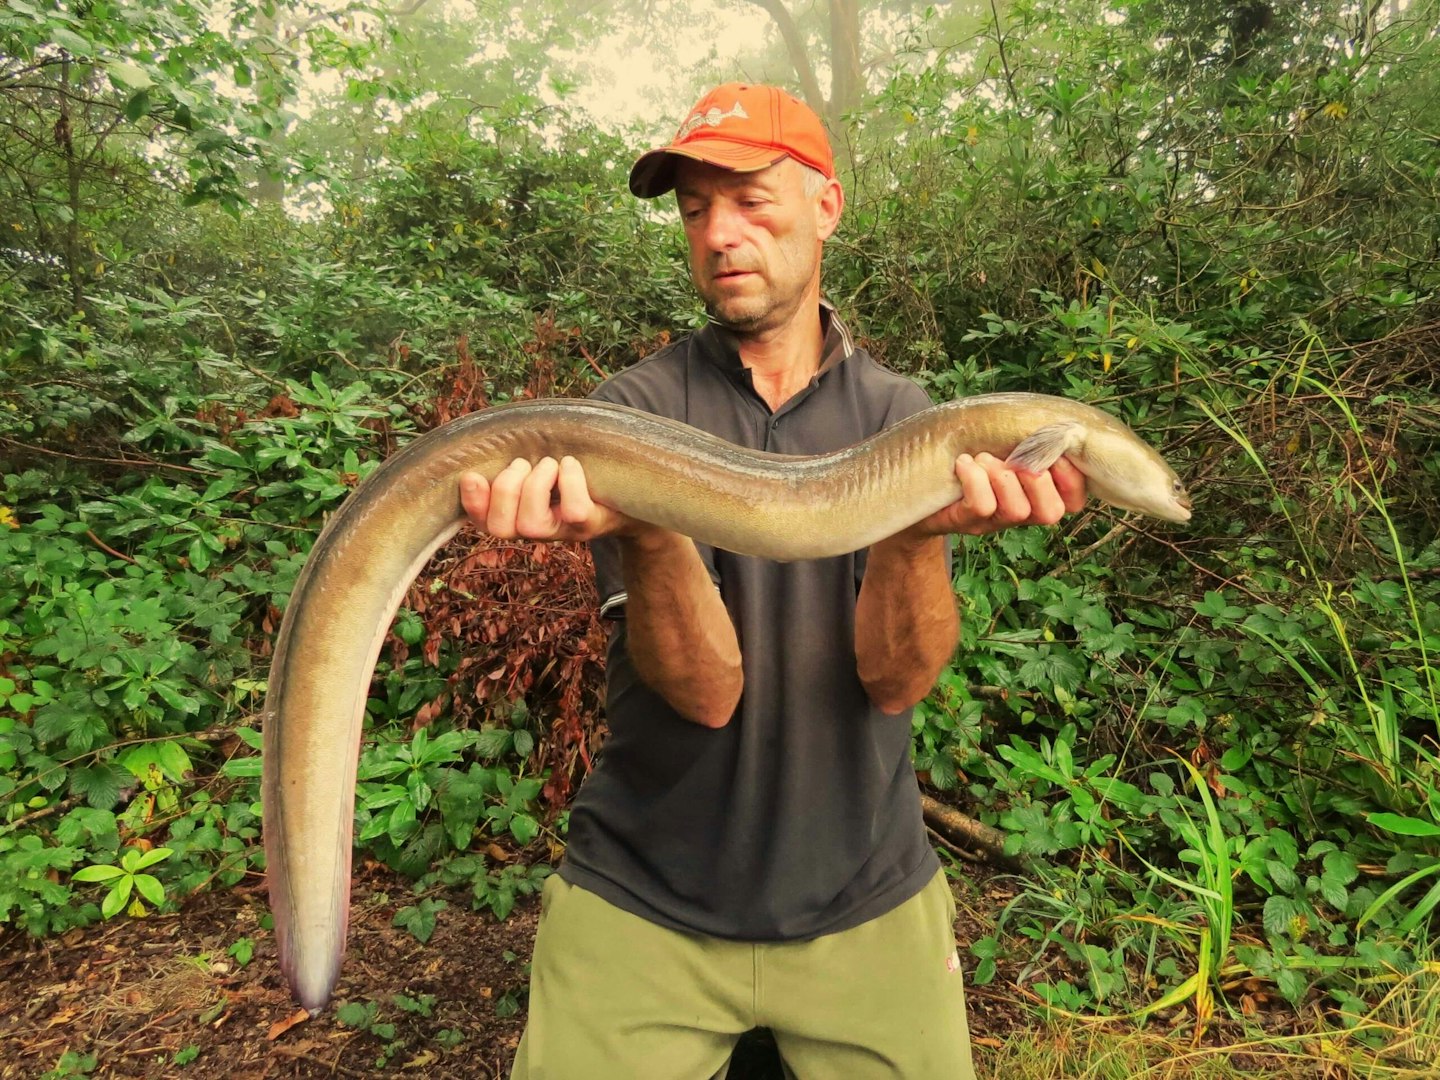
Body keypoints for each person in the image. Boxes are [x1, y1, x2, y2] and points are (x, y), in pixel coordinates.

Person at [459, 83, 1087, 1079]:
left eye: (751, 200)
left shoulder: (906, 420)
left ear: (826, 206)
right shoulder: (633, 415)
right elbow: (705, 693)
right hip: (646, 898)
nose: (720, 235)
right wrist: (652, 524)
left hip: (862, 900)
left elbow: (895, 681)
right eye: (697, 208)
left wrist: (913, 536)